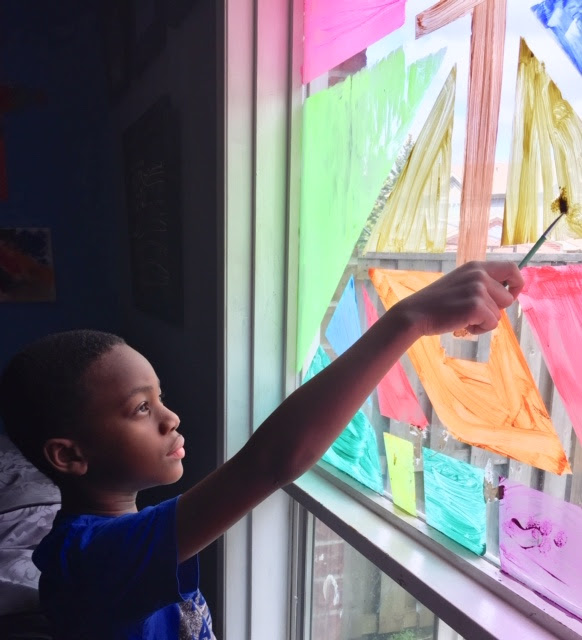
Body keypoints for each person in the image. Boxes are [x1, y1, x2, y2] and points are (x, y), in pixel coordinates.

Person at [0, 260, 523, 639]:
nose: (171, 418)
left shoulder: (117, 539)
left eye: (160, 398)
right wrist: (407, 320)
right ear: (69, 457)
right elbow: (272, 460)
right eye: (140, 409)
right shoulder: (91, 559)